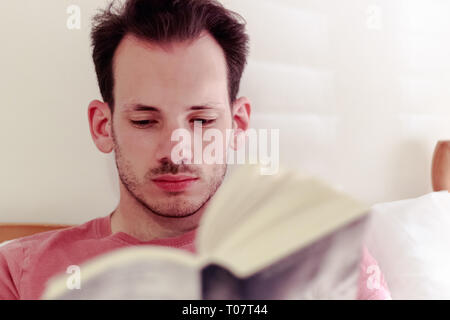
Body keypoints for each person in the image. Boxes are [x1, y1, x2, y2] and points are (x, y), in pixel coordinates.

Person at [0, 0, 390, 300]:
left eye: (202, 120)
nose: (177, 150)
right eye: (145, 121)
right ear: (103, 126)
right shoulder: (18, 271)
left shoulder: (325, 256)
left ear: (237, 125)